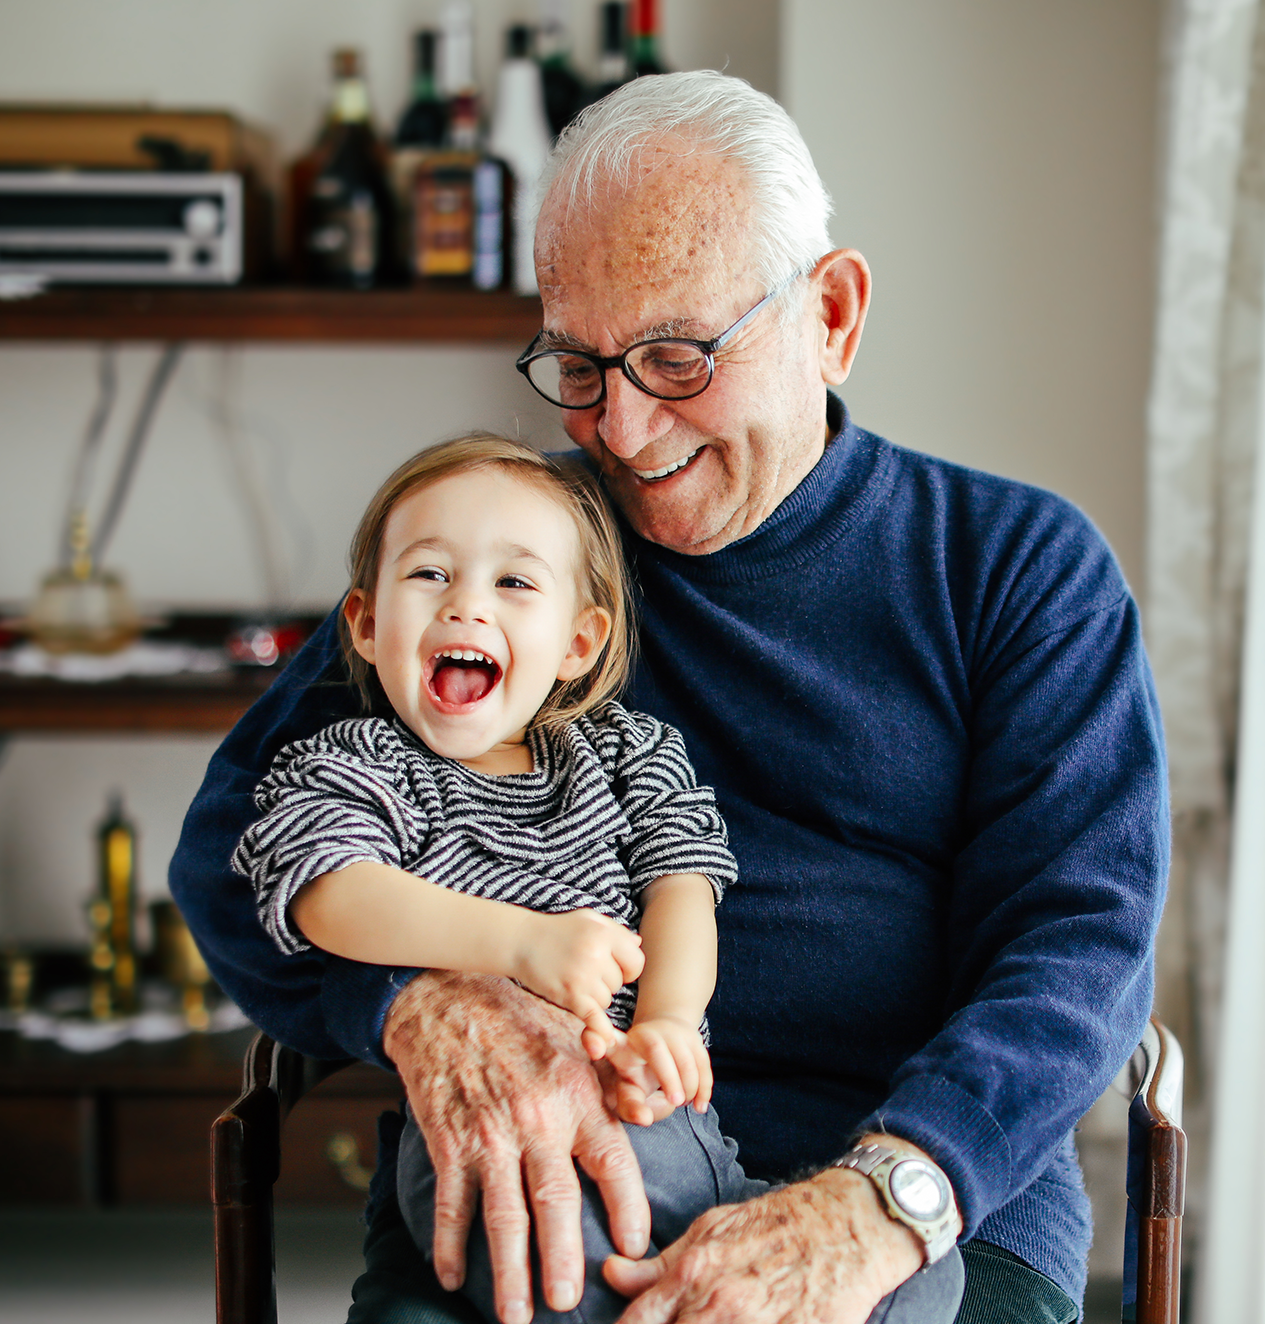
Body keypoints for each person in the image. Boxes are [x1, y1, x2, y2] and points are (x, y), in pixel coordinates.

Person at [171, 72, 1168, 1324]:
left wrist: (876, 1204)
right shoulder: (506, 552)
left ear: (832, 315)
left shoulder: (1017, 567)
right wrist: (414, 999)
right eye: (579, 366)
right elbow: (237, 841)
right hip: (531, 1181)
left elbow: (1078, 942)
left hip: (909, 1194)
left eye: (675, 357)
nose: (626, 431)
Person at [230, 434, 961, 1324]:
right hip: (485, 1138)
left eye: (515, 582)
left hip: (666, 1127)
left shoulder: (627, 752)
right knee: (549, 1255)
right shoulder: (356, 763)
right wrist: (520, 943)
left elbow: (683, 889)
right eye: (429, 575)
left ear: (580, 640)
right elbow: (329, 892)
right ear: (367, 624)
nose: (465, 605)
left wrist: (668, 1021)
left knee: (928, 1276)